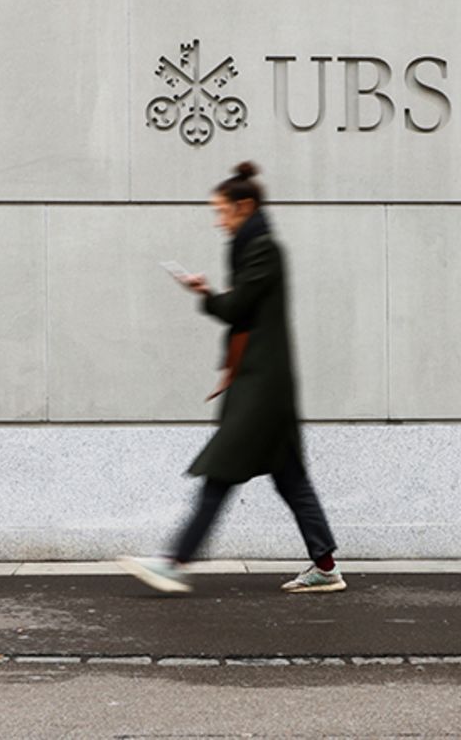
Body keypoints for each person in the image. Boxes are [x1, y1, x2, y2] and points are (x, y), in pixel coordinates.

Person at [117, 161, 344, 596]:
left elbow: (239, 309)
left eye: (222, 212)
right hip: (264, 383)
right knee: (291, 478)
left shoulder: (262, 248)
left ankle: (175, 561)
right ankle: (326, 565)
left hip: (262, 385)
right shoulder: (253, 246)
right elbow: (244, 310)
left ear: (246, 206)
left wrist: (205, 294)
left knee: (219, 473)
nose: (219, 222)